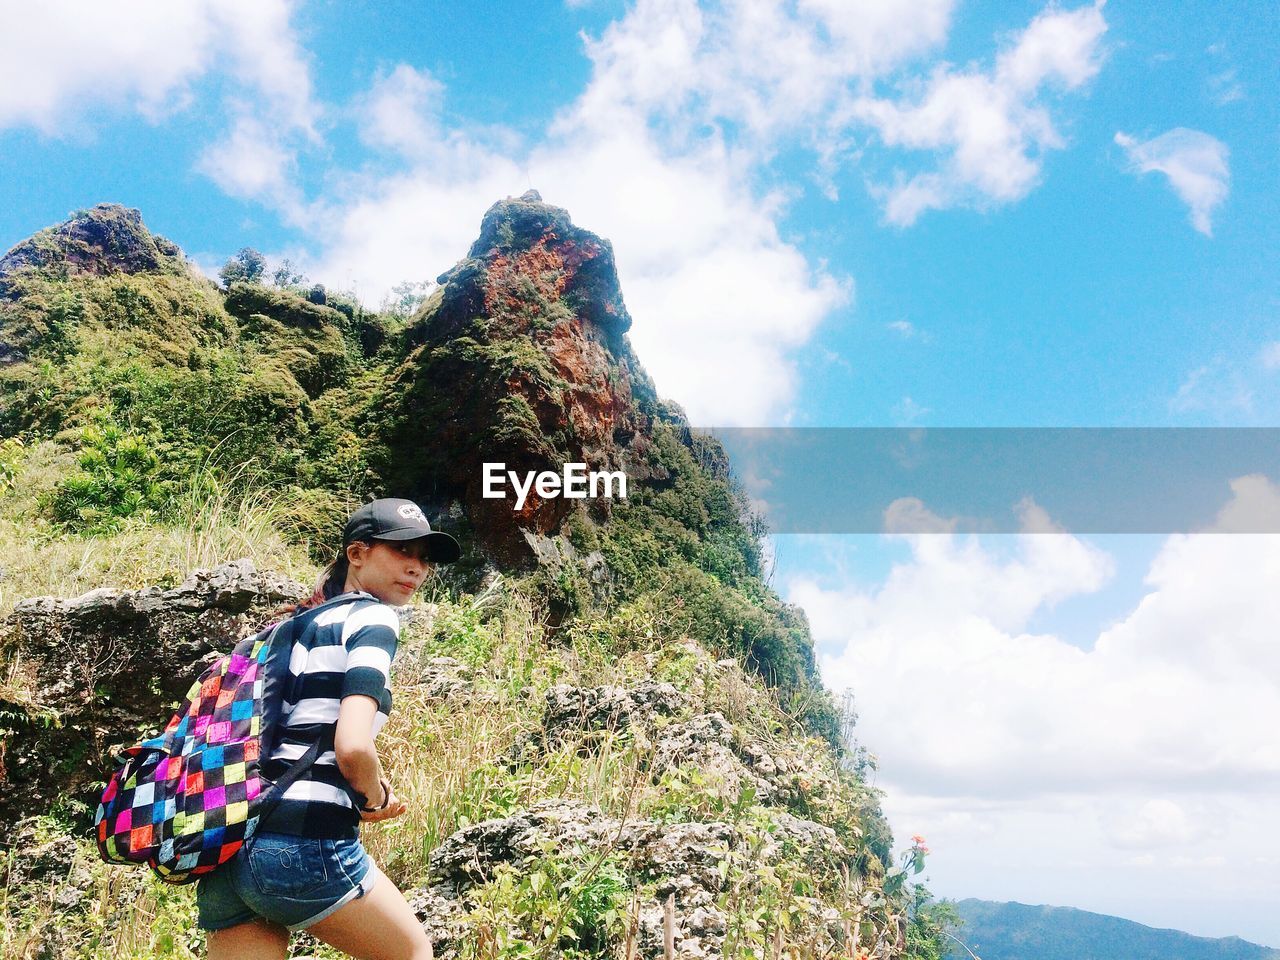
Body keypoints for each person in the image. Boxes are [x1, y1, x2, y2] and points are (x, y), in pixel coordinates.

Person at [196, 498, 461, 960]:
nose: (416, 568)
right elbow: (353, 746)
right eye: (403, 552)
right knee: (413, 953)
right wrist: (375, 798)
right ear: (356, 554)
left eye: (424, 558)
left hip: (229, 842)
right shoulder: (373, 620)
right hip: (303, 841)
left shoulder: (294, 625)